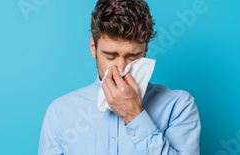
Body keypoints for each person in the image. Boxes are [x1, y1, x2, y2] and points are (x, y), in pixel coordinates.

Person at [38, 0, 201, 154]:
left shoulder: (178, 106)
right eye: (110, 56)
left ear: (145, 51)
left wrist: (134, 115)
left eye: (133, 56)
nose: (121, 69)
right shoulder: (60, 112)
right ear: (93, 47)